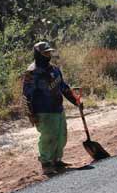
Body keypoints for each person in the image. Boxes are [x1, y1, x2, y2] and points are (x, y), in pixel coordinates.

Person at [22, 42, 82, 175]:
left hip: (58, 109)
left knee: (61, 136)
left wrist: (75, 101)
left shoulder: (54, 69)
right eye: (45, 53)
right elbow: (26, 95)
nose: (48, 55)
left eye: (49, 52)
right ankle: (46, 163)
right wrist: (30, 114)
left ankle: (57, 160)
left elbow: (63, 87)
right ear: (38, 54)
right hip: (43, 112)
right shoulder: (32, 73)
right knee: (48, 137)